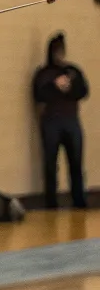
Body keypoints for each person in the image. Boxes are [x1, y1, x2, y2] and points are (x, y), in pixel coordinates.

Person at [32, 32, 89, 209]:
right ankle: (51, 201)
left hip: (71, 120)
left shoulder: (73, 70)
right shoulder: (43, 74)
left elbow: (84, 91)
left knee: (76, 161)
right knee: (50, 162)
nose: (59, 54)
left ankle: (78, 199)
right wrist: (55, 86)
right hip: (51, 121)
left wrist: (69, 88)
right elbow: (38, 96)